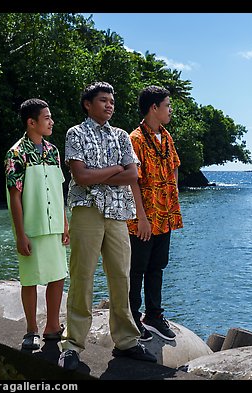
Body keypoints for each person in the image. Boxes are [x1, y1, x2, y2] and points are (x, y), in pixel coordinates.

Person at [57, 82, 157, 370]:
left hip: (117, 212)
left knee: (121, 277)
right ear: (88, 104)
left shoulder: (121, 136)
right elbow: (81, 176)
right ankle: (73, 344)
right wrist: (115, 170)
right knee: (82, 277)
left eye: (112, 101)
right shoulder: (75, 133)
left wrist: (101, 173)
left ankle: (126, 341)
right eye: (103, 100)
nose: (109, 105)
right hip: (87, 211)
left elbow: (132, 175)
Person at [4, 98, 69, 351]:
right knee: (29, 280)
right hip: (31, 227)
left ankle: (52, 326)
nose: (51, 122)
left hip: (54, 226)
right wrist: (20, 234)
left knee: (58, 276)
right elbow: (15, 196)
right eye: (46, 118)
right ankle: (31, 329)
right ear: (31, 122)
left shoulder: (53, 151)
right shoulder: (16, 154)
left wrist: (65, 223)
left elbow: (58, 190)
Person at [127, 86, 183, 341]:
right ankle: (131, 316)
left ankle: (154, 315)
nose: (170, 110)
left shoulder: (166, 136)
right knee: (137, 267)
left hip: (165, 214)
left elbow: (174, 166)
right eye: (167, 105)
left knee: (158, 265)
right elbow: (132, 181)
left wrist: (173, 195)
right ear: (154, 108)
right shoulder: (135, 139)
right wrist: (141, 216)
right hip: (144, 216)